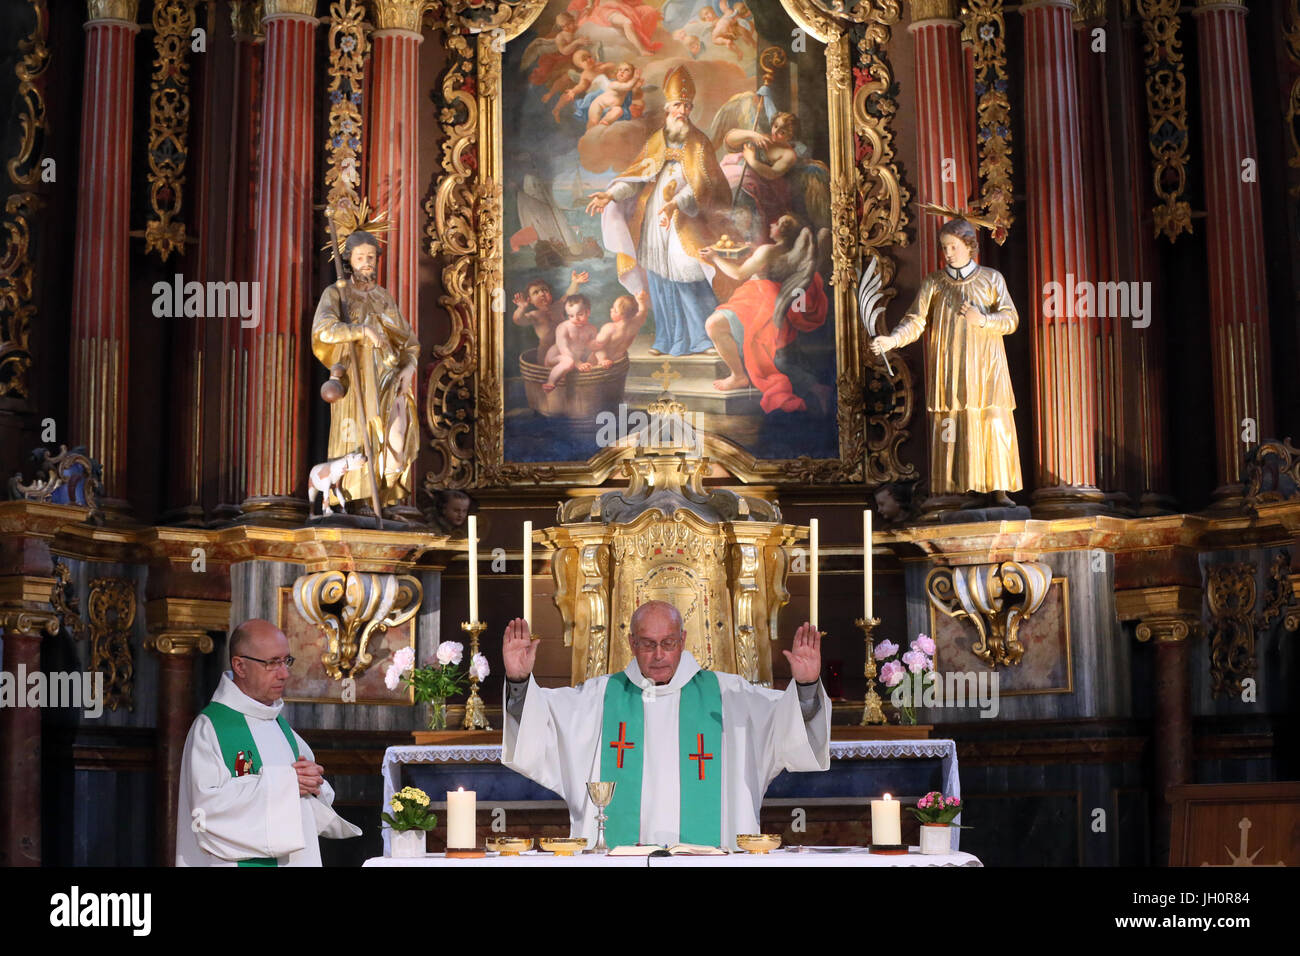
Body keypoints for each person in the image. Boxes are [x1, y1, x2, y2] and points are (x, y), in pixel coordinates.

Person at [501, 600, 830, 849]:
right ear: (632, 644)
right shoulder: (599, 698)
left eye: (668, 643)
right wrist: (519, 680)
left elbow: (784, 727)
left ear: (683, 641)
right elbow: (541, 724)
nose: (659, 654)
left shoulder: (729, 695)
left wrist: (805, 686)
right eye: (647, 643)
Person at [175, 619, 361, 866]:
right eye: (272, 663)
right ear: (240, 666)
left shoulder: (279, 726)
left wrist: (313, 784)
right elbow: (206, 812)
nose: (284, 673)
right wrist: (286, 784)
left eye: (286, 661)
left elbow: (312, 800)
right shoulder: (211, 728)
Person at [870, 217, 1023, 505]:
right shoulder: (935, 283)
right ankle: (964, 488)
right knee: (956, 423)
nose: (948, 253)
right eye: (944, 247)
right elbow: (915, 321)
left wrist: (984, 319)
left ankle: (999, 488)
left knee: (992, 419)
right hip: (951, 368)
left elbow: (1011, 319)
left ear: (968, 246)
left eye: (952, 246)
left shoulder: (991, 279)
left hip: (987, 367)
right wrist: (892, 340)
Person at [586, 66, 731, 356]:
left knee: (689, 271)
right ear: (668, 108)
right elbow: (636, 178)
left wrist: (676, 203)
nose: (683, 111)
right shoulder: (656, 140)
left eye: (687, 106)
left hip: (684, 218)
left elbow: (703, 184)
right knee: (659, 276)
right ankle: (667, 340)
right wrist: (610, 194)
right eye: (678, 105)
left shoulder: (698, 141)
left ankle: (703, 339)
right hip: (653, 217)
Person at [311, 230, 419, 507]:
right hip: (356, 377)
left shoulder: (384, 298)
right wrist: (362, 330)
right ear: (349, 261)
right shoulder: (336, 293)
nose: (367, 262)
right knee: (359, 438)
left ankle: (383, 496)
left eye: (371, 256)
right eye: (360, 257)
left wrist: (409, 368)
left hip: (389, 379)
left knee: (397, 439)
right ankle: (359, 501)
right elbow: (322, 329)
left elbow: (408, 342)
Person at [702, 215, 829, 412]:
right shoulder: (788, 250)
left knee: (713, 325)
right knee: (770, 356)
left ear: (782, 231)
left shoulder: (766, 250)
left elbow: (739, 274)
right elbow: (770, 263)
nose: (771, 223)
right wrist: (754, 251)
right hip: (774, 301)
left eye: (776, 223)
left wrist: (714, 257)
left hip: (759, 299)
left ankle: (738, 376)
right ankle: (817, 389)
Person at [544, 294, 600, 390]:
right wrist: (578, 363)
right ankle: (550, 382)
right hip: (556, 358)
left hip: (576, 360)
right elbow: (564, 349)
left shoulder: (591, 329)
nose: (576, 319)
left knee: (595, 355)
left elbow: (594, 347)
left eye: (580, 314)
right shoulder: (563, 327)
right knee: (568, 362)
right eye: (571, 316)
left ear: (588, 312)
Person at [591, 290, 650, 366]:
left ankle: (601, 360)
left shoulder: (609, 328)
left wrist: (602, 359)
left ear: (622, 315)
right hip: (618, 360)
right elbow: (643, 312)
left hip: (599, 362)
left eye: (614, 310)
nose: (611, 310)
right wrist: (641, 301)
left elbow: (597, 346)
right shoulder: (636, 324)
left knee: (594, 349)